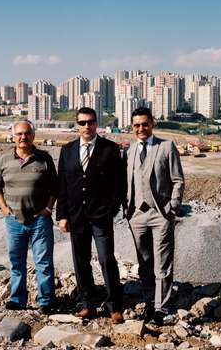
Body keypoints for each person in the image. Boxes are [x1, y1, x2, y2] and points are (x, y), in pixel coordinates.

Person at [56, 107, 125, 324]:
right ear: (76, 125)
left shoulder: (110, 149)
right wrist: (62, 215)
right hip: (76, 217)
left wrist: (112, 209)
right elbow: (62, 186)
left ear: (97, 124)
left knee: (106, 259)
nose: (87, 126)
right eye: (83, 122)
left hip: (101, 216)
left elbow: (118, 184)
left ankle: (115, 305)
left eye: (91, 122)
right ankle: (88, 304)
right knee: (81, 262)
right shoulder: (67, 151)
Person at [125, 107, 185, 325]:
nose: (141, 128)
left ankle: (162, 307)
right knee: (144, 261)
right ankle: (150, 301)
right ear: (132, 127)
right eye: (136, 125)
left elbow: (178, 179)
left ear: (152, 124)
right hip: (136, 215)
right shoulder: (130, 151)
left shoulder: (166, 147)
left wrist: (173, 207)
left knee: (163, 262)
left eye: (145, 124)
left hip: (161, 214)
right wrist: (127, 209)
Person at [0, 120, 58, 313]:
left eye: (27, 133)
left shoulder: (44, 158)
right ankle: (17, 299)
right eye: (19, 134)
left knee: (44, 263)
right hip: (14, 221)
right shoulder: (4, 160)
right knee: (16, 262)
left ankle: (46, 302)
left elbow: (55, 186)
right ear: (13, 136)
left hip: (40, 220)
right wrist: (4, 208)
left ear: (33, 136)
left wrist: (48, 209)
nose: (23, 137)